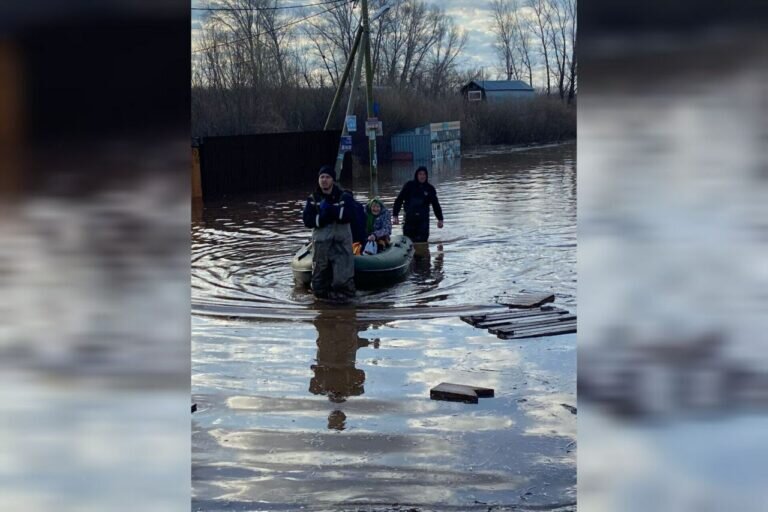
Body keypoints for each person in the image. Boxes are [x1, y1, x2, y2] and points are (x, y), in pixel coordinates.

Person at [302, 165, 356, 300]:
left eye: (327, 177)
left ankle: (345, 304)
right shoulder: (313, 199)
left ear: (333, 180)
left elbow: (350, 215)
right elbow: (307, 220)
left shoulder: (344, 197)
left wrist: (331, 210)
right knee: (319, 278)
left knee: (343, 278)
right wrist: (321, 219)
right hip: (321, 244)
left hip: (341, 243)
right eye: (322, 177)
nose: (324, 180)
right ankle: (322, 304)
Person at [392, 166, 444, 243]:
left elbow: (435, 205)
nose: (422, 176)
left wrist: (440, 219)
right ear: (416, 175)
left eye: (424, 174)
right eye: (420, 174)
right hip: (409, 220)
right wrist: (395, 215)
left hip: (423, 221)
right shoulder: (409, 185)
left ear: (426, 176)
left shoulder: (430, 189)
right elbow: (399, 200)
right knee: (409, 242)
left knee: (422, 242)